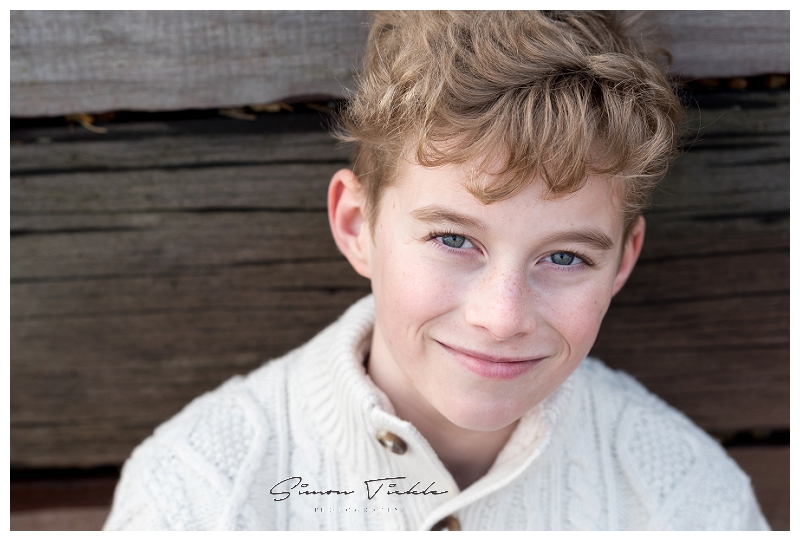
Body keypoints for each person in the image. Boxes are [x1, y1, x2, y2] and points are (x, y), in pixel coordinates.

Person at [104, 11, 769, 530]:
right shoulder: (199, 490)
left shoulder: (687, 497)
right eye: (454, 239)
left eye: (564, 256)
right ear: (357, 225)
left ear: (623, 261)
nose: (502, 316)